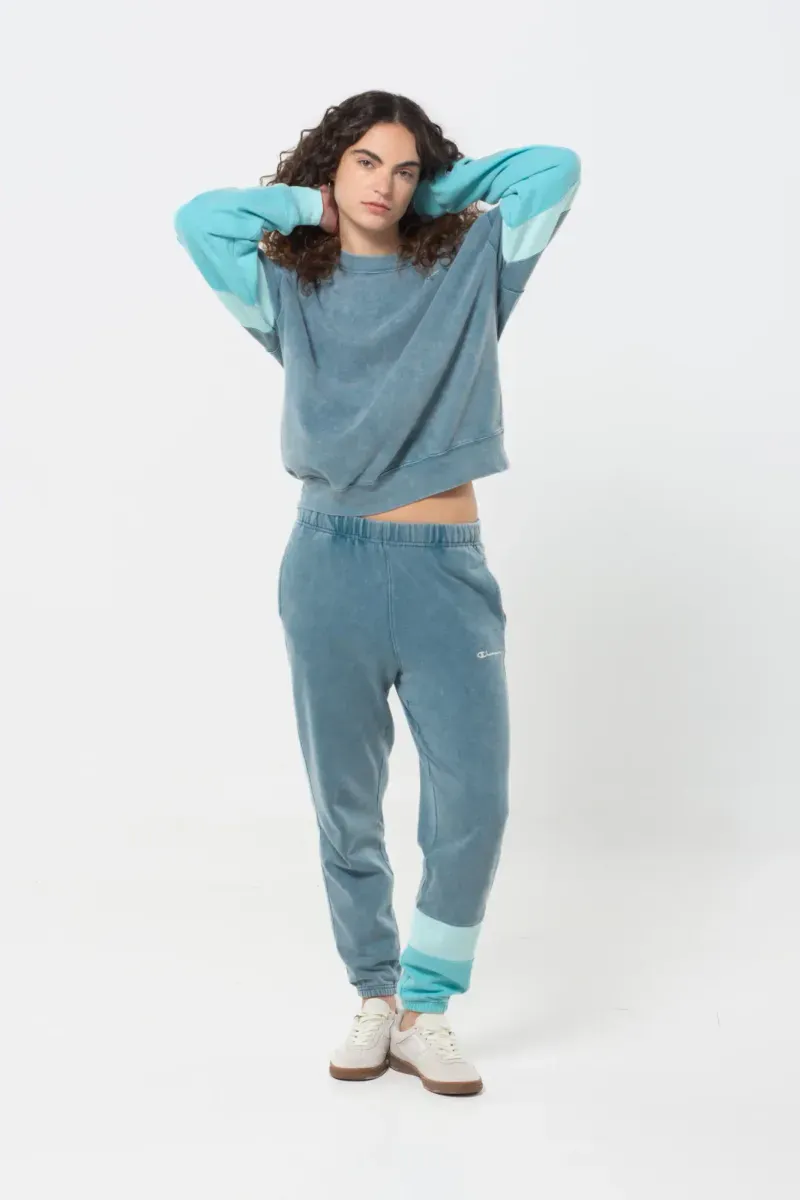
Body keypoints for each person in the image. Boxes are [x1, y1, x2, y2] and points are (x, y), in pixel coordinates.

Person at [173, 89, 581, 1097]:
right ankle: (373, 992)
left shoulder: (473, 268)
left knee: (473, 800)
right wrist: (311, 206)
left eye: (403, 170)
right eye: (365, 163)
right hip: (328, 566)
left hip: (445, 567)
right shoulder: (289, 289)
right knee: (345, 803)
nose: (384, 185)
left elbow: (554, 170)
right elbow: (200, 220)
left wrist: (433, 195)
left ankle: (426, 1009)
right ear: (332, 167)